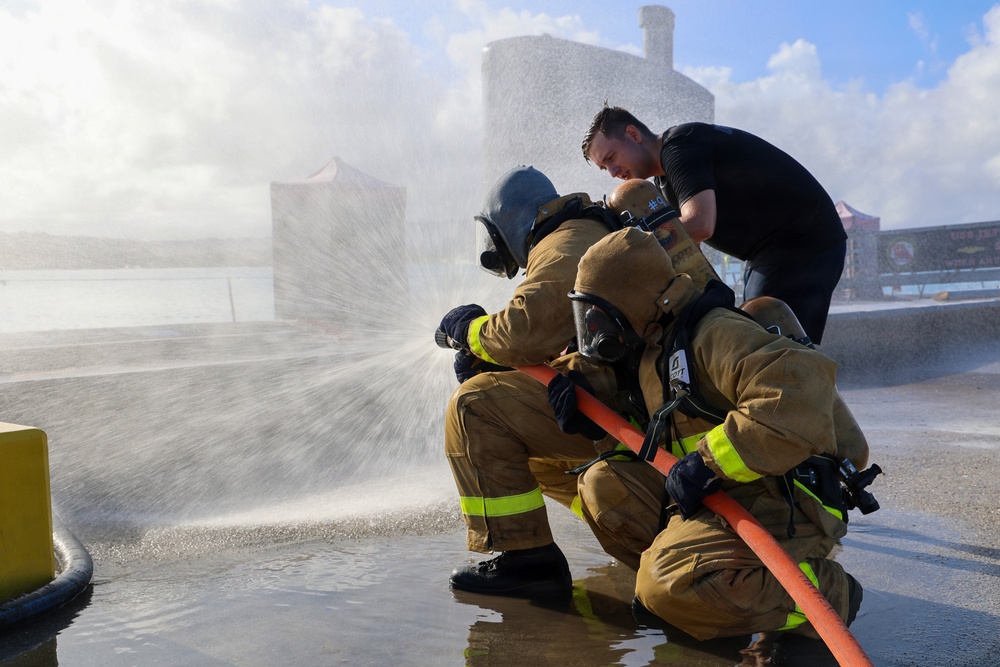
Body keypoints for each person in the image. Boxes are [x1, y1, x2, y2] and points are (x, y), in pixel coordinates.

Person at [546, 226, 871, 666]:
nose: (597, 331)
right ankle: (710, 599)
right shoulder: (653, 347)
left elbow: (797, 393)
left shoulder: (712, 333)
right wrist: (593, 423)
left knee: (666, 587)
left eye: (602, 316)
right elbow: (668, 429)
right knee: (603, 483)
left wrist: (709, 462)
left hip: (784, 497)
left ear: (636, 301)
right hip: (727, 491)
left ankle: (827, 593)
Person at [436, 165, 624, 599]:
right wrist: (500, 366)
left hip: (625, 417)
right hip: (626, 406)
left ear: (511, 222)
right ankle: (625, 521)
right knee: (517, 438)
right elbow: (561, 338)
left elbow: (524, 331)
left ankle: (528, 562)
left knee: (475, 407)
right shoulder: (581, 234)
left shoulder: (565, 244)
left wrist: (467, 331)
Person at [581, 105, 847, 345]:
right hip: (772, 252)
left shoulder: (680, 147)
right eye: (605, 168)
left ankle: (809, 398)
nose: (614, 172)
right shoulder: (663, 182)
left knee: (766, 348)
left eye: (611, 157)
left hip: (802, 241)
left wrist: (629, 255)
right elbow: (684, 247)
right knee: (759, 341)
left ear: (633, 134)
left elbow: (699, 225)